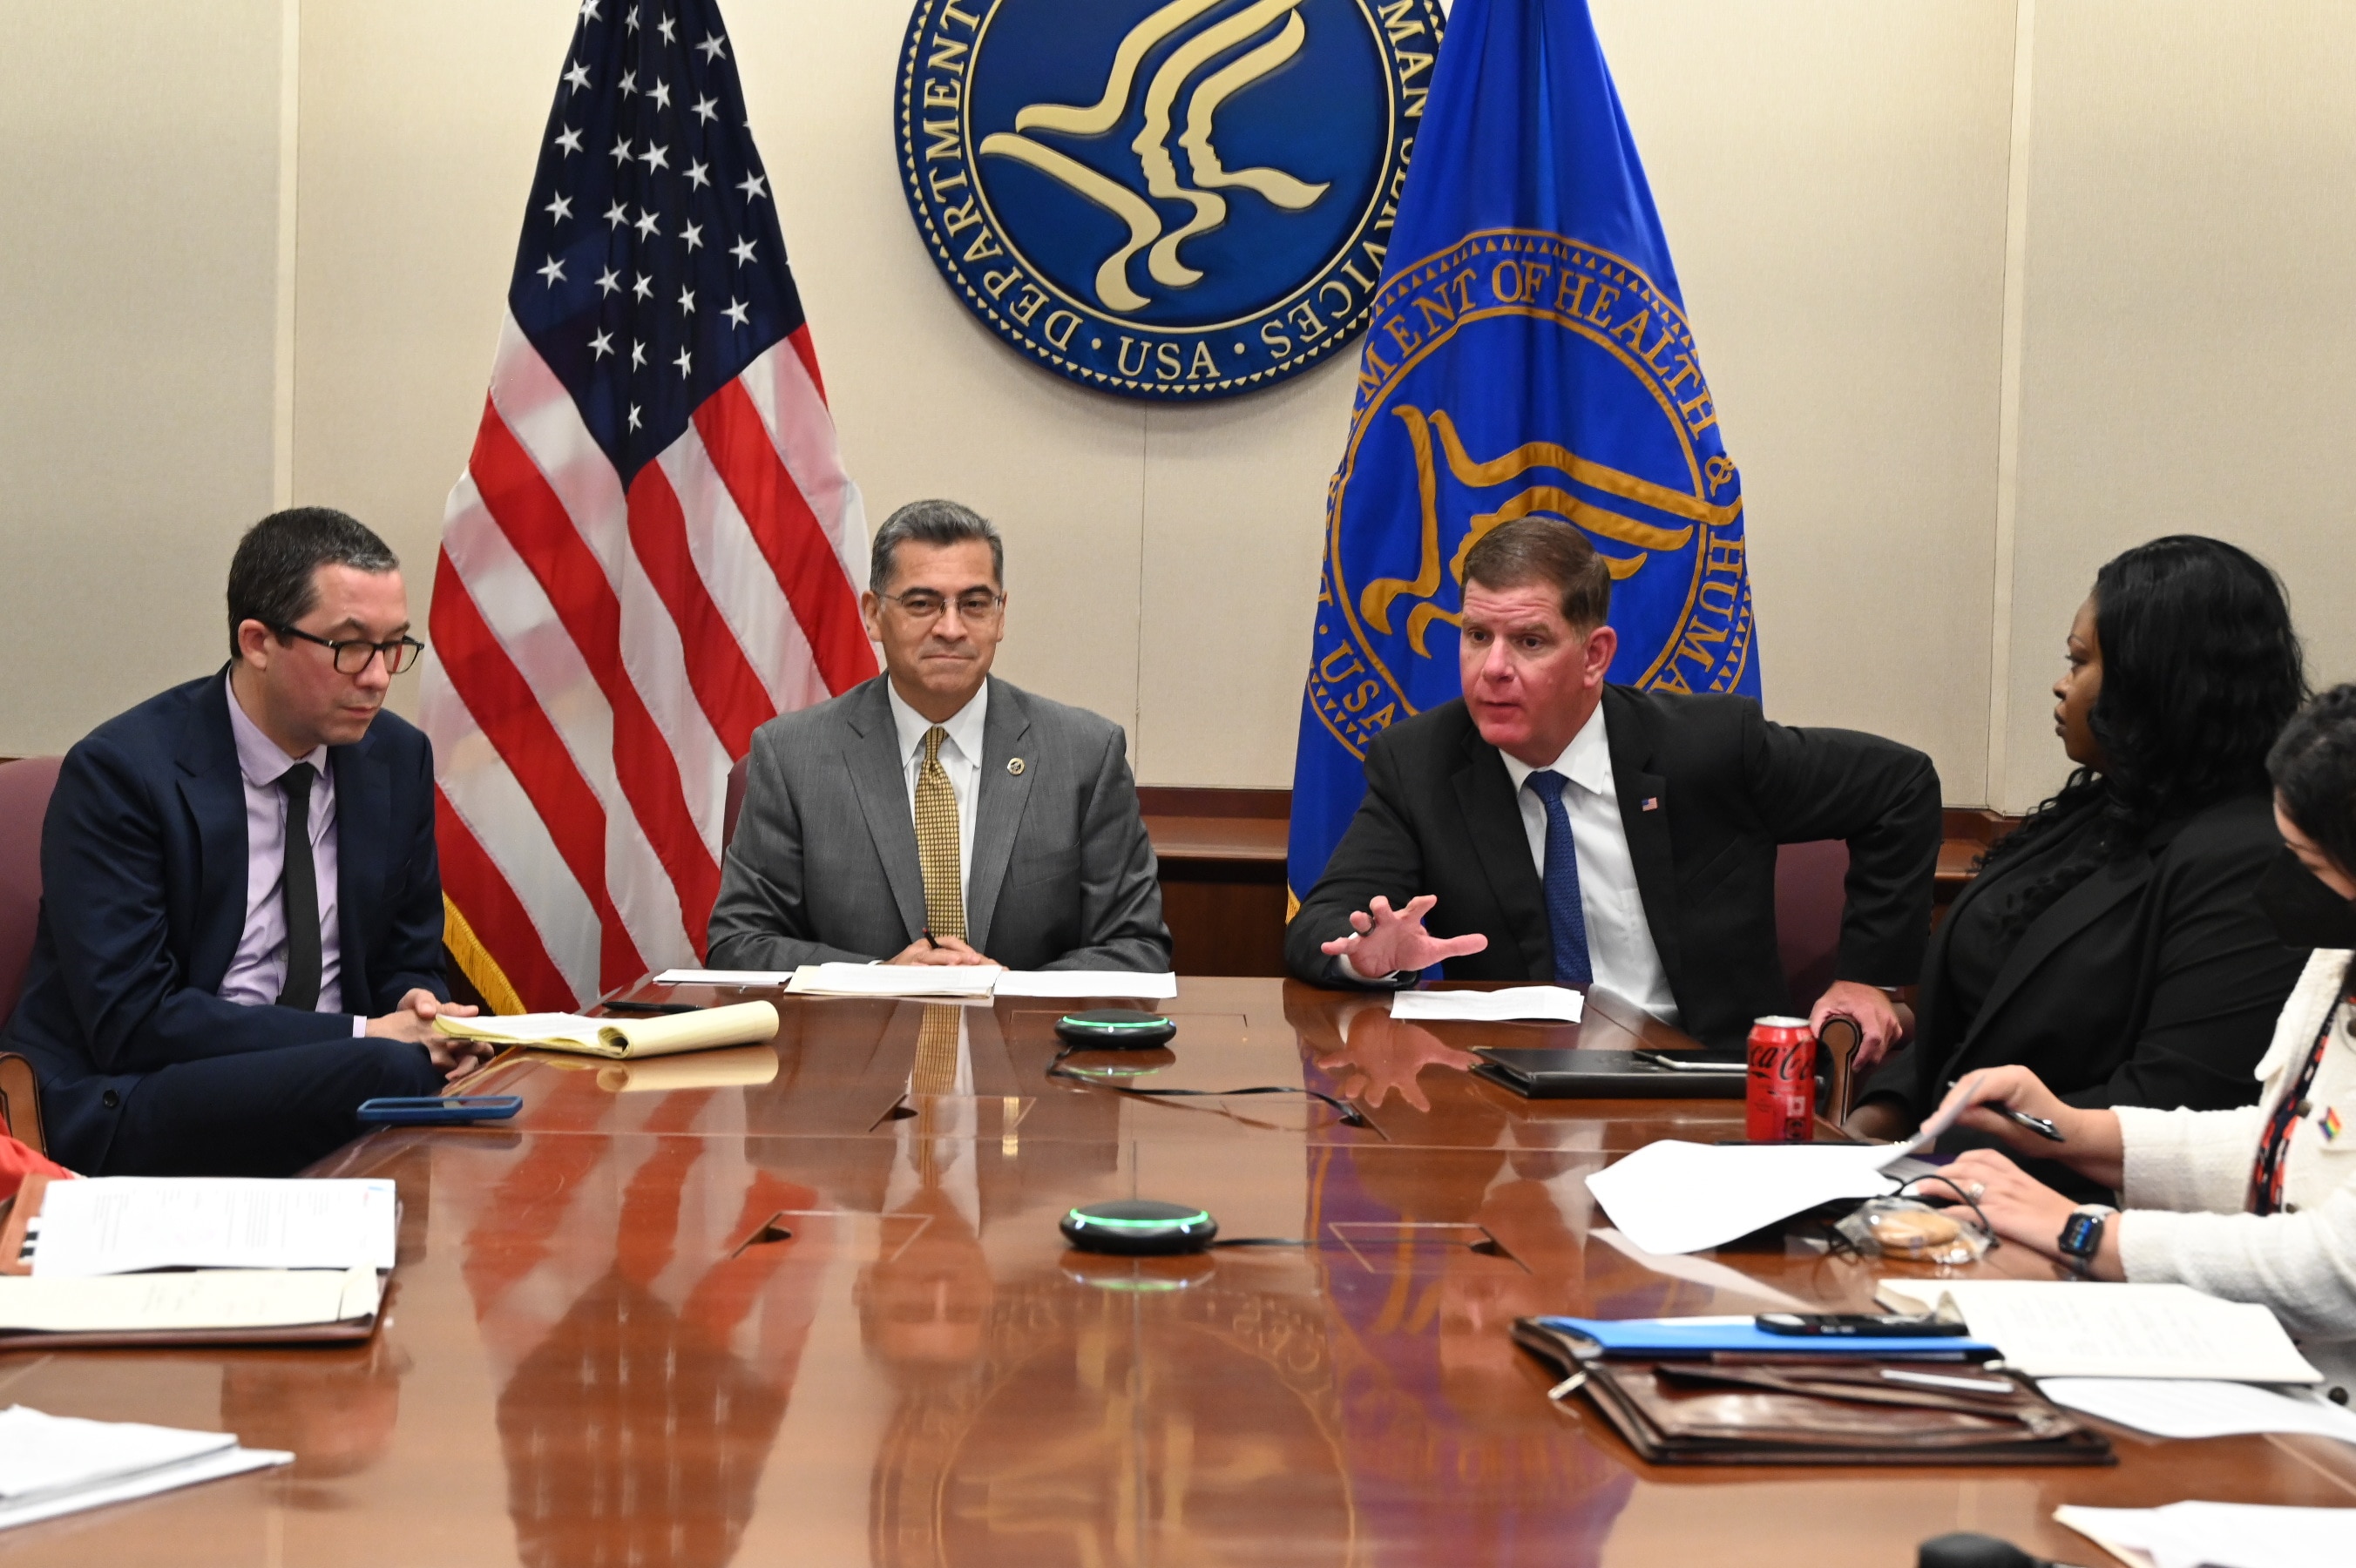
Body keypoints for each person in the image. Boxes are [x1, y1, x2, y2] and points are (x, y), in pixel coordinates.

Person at [1283, 516, 1943, 1055]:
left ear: (1595, 655)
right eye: (1477, 636)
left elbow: (1900, 785)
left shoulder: (1707, 746)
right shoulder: (1421, 764)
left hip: (1704, 1086)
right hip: (1517, 1107)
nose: (1493, 669)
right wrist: (1366, 956)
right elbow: (1322, 921)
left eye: (1530, 642)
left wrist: (1869, 977)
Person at [2, 507, 485, 1177]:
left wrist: (415, 1004)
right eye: (350, 647)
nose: (377, 677)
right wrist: (364, 1034)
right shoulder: (124, 772)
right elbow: (134, 1021)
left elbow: (408, 955)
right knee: (391, 1067)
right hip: (138, 1090)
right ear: (258, 642)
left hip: (340, 1072)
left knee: (467, 1067)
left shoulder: (395, 759)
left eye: (395, 645)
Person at [1912, 684, 2356, 1397]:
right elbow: (2291, 1146)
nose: (2287, 885)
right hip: (2282, 1376)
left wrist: (2089, 1236)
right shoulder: (2339, 955)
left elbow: (2340, 1269)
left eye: (2308, 865)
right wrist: (2077, 1131)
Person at [1850, 537, 2310, 1149]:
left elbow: (2176, 1108)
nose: (2061, 686)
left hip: (2073, 1205)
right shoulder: (2098, 808)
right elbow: (1972, 1022)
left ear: (2155, 680)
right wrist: (1878, 1117)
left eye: (2079, 662)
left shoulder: (2249, 859)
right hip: (1939, 1171)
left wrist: (1936, 1152)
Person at [707, 498, 1170, 972]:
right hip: (854, 1041)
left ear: (1001, 614)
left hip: (1028, 1044)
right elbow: (739, 944)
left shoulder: (1085, 755)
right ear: (873, 615)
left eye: (973, 604)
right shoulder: (792, 757)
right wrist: (874, 982)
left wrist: (1011, 990)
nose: (951, 629)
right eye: (922, 604)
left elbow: (1136, 948)